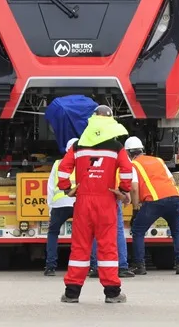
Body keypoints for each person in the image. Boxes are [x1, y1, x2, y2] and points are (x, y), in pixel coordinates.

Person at [57, 105, 133, 304]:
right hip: (106, 200)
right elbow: (127, 170)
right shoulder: (117, 147)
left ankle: (72, 292)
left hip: (83, 201)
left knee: (80, 247)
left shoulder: (78, 146)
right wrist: (123, 191)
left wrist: (67, 188)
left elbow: (63, 169)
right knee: (107, 247)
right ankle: (112, 293)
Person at [123, 136, 179, 275]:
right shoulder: (158, 160)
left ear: (128, 153)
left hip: (155, 200)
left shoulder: (134, 165)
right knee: (177, 232)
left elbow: (134, 188)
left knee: (138, 230)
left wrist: (135, 210)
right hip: (174, 197)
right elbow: (171, 179)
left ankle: (139, 265)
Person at [44, 137, 79, 276]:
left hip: (59, 204)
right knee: (86, 235)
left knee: (53, 232)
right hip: (78, 203)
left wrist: (50, 209)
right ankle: (91, 265)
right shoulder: (85, 162)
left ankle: (50, 267)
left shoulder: (58, 163)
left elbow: (51, 187)